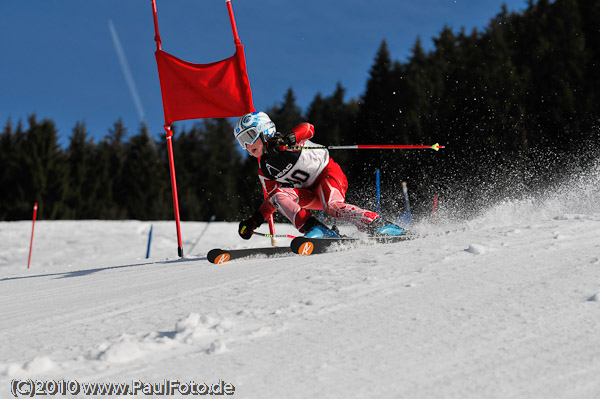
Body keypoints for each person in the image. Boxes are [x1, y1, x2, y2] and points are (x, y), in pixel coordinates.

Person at [235, 111, 406, 240]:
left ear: (265, 130)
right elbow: (272, 200)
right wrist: (254, 221)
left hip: (328, 175)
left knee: (331, 207)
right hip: (309, 193)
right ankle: (316, 229)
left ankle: (378, 224)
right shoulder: (263, 169)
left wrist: (289, 140)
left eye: (249, 136)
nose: (247, 145)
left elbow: (309, 129)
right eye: (242, 142)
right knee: (278, 196)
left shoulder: (286, 141)